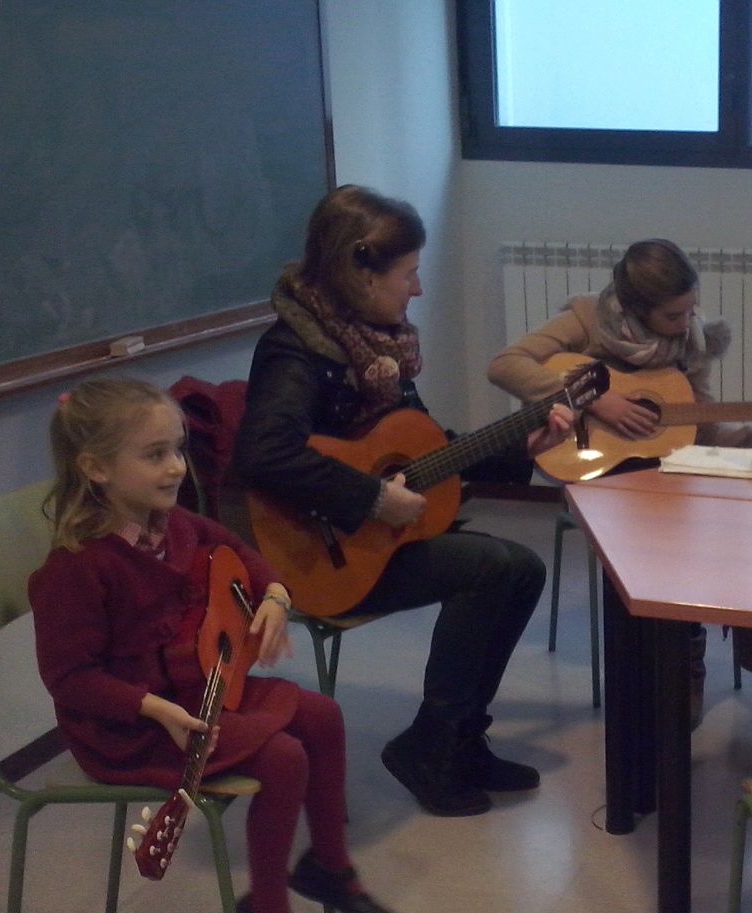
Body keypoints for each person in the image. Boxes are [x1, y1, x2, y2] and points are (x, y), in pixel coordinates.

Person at [31, 379, 398, 913]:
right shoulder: (75, 569)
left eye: (177, 449)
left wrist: (275, 593)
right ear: (95, 468)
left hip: (196, 690)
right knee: (283, 758)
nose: (177, 467)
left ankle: (329, 863)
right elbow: (70, 681)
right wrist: (152, 708)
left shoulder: (176, 525)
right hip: (130, 727)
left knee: (323, 716)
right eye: (155, 455)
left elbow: (241, 552)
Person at [235, 185, 573, 818]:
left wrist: (520, 447)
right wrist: (370, 498)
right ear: (362, 273)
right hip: (322, 553)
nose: (417, 289)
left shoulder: (376, 346)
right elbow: (263, 454)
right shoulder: (294, 350)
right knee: (491, 567)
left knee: (523, 568)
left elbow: (426, 452)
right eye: (409, 273)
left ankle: (458, 739)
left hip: (368, 540)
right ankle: (429, 749)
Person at [488, 238, 752, 712]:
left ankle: (749, 633)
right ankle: (690, 662)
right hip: (597, 474)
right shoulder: (586, 318)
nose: (686, 324)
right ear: (636, 309)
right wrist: (595, 398)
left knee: (732, 504)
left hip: (662, 478)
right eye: (673, 316)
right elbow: (505, 365)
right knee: (677, 526)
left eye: (690, 310)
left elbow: (700, 432)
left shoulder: (688, 344)